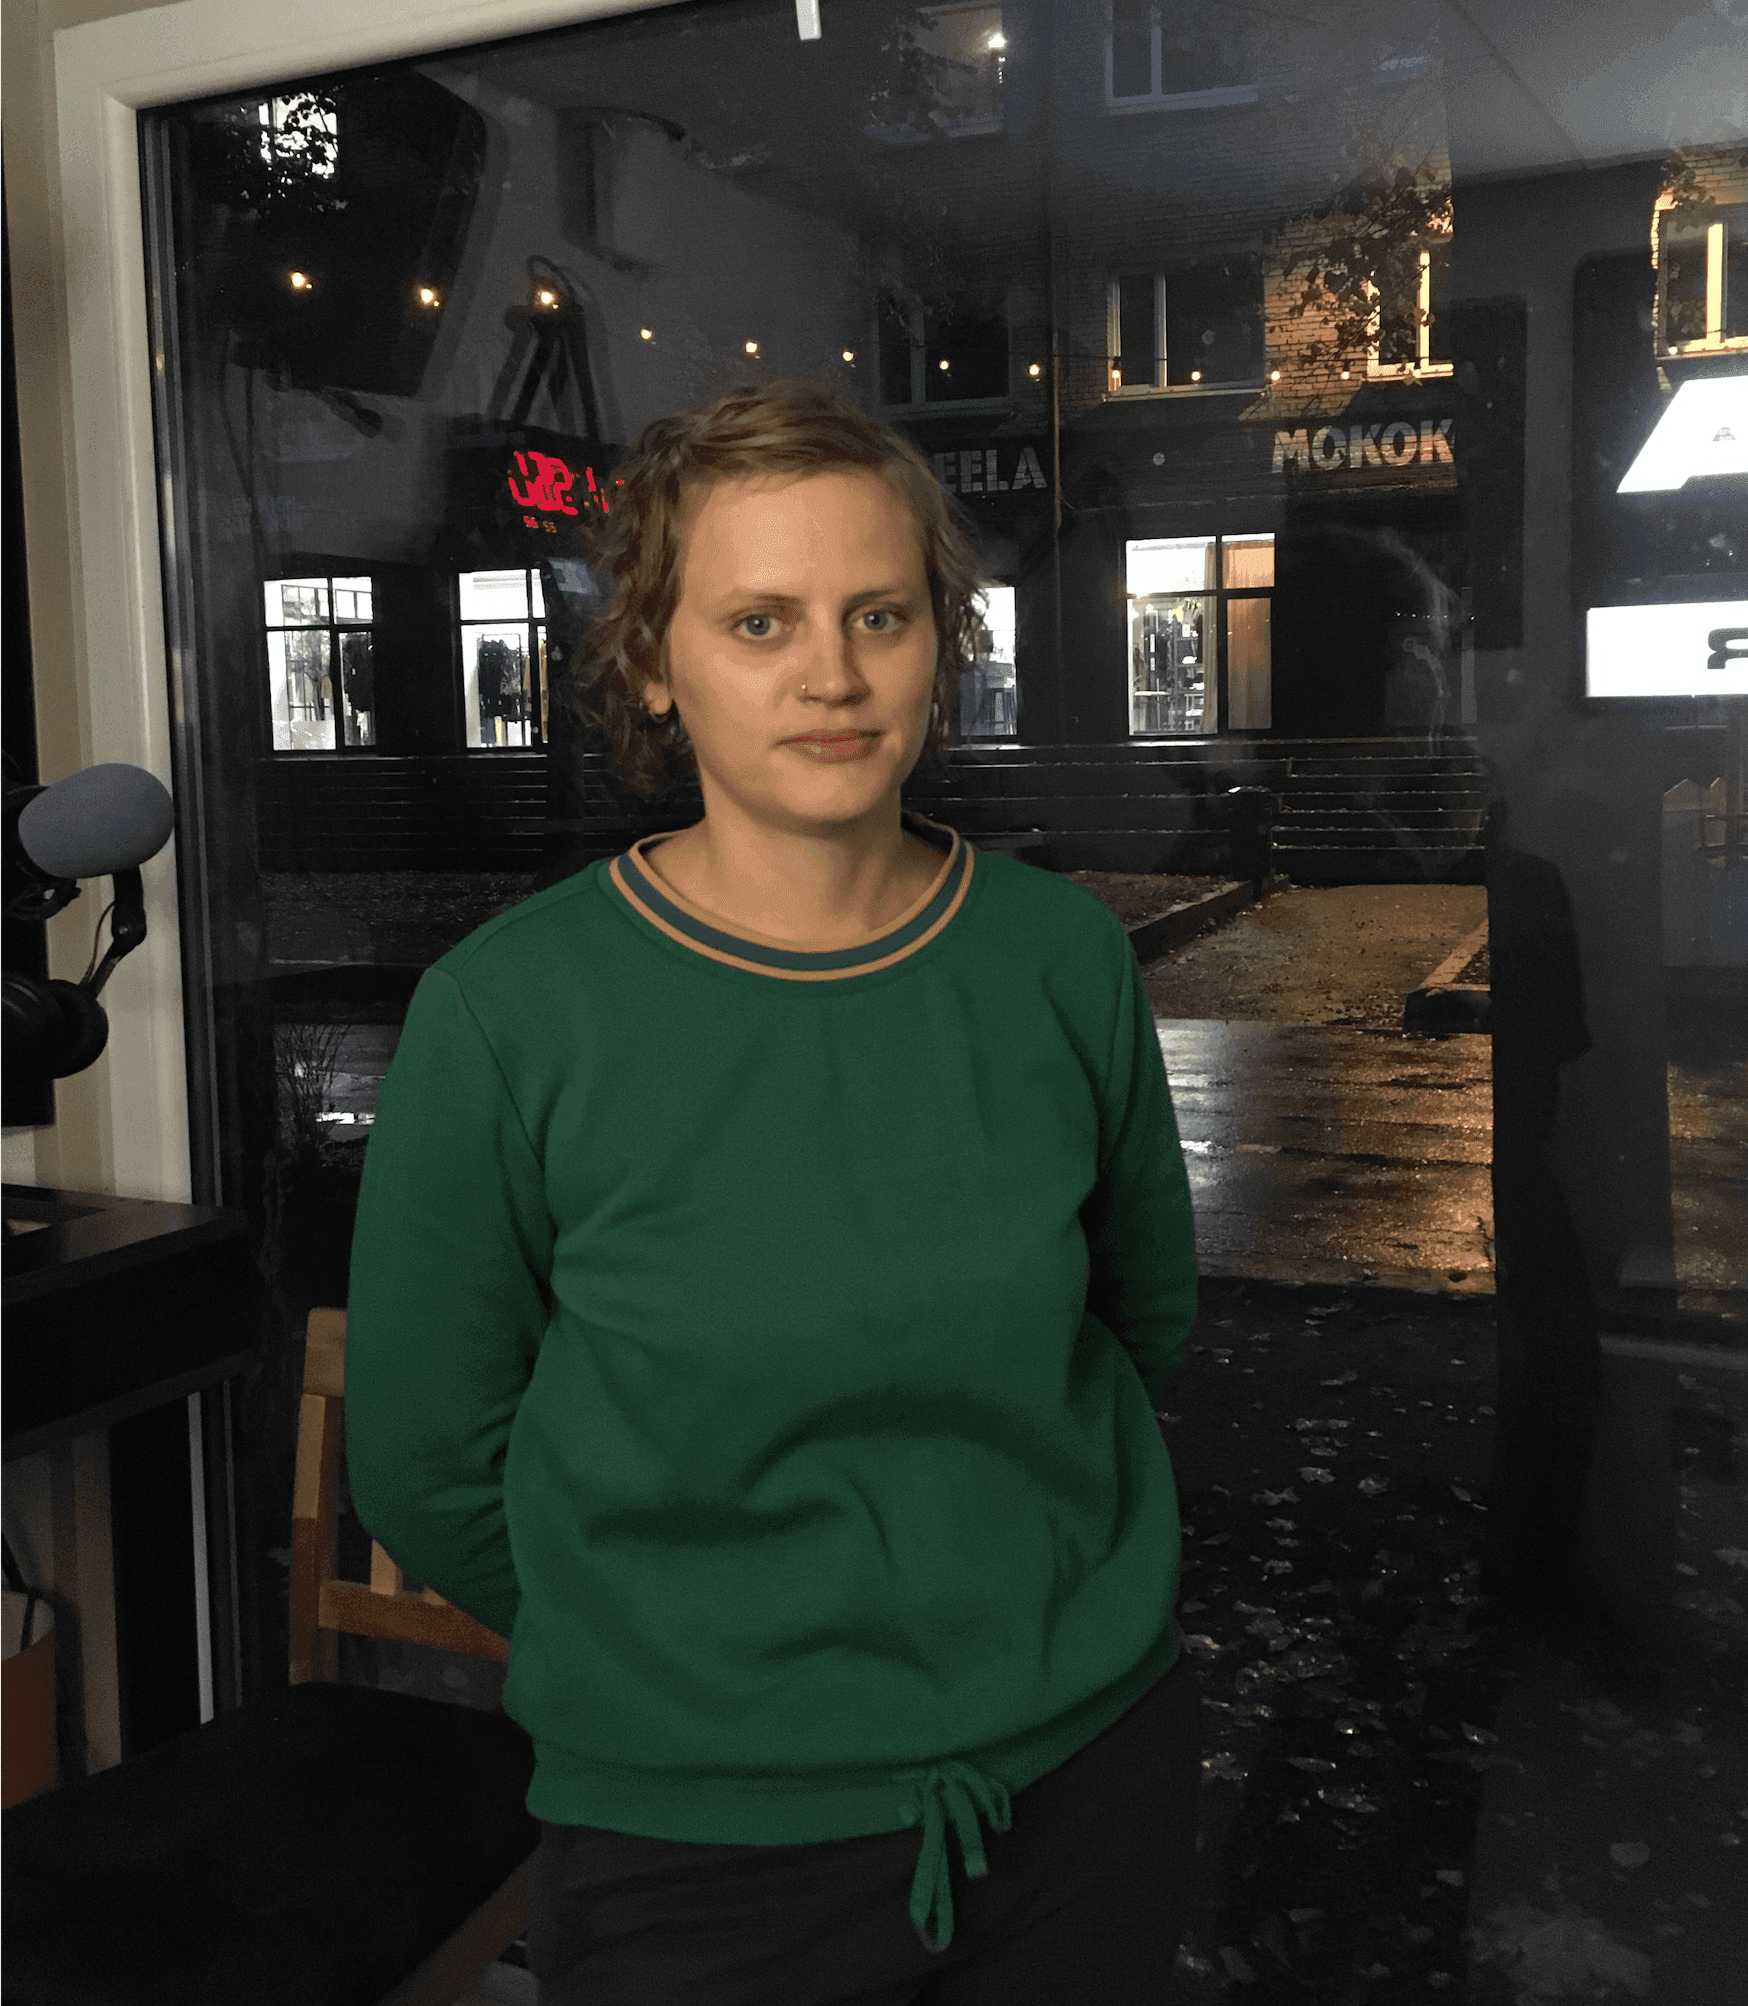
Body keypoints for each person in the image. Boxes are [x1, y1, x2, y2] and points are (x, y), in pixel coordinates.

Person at [345, 377, 1204, 2005]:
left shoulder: (1059, 959)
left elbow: (1135, 1315)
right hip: (700, 1845)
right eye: (760, 622)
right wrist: (683, 1654)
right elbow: (423, 1455)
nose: (833, 673)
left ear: (941, 641)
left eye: (880, 613)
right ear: (652, 664)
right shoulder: (513, 1014)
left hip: (1086, 1784)